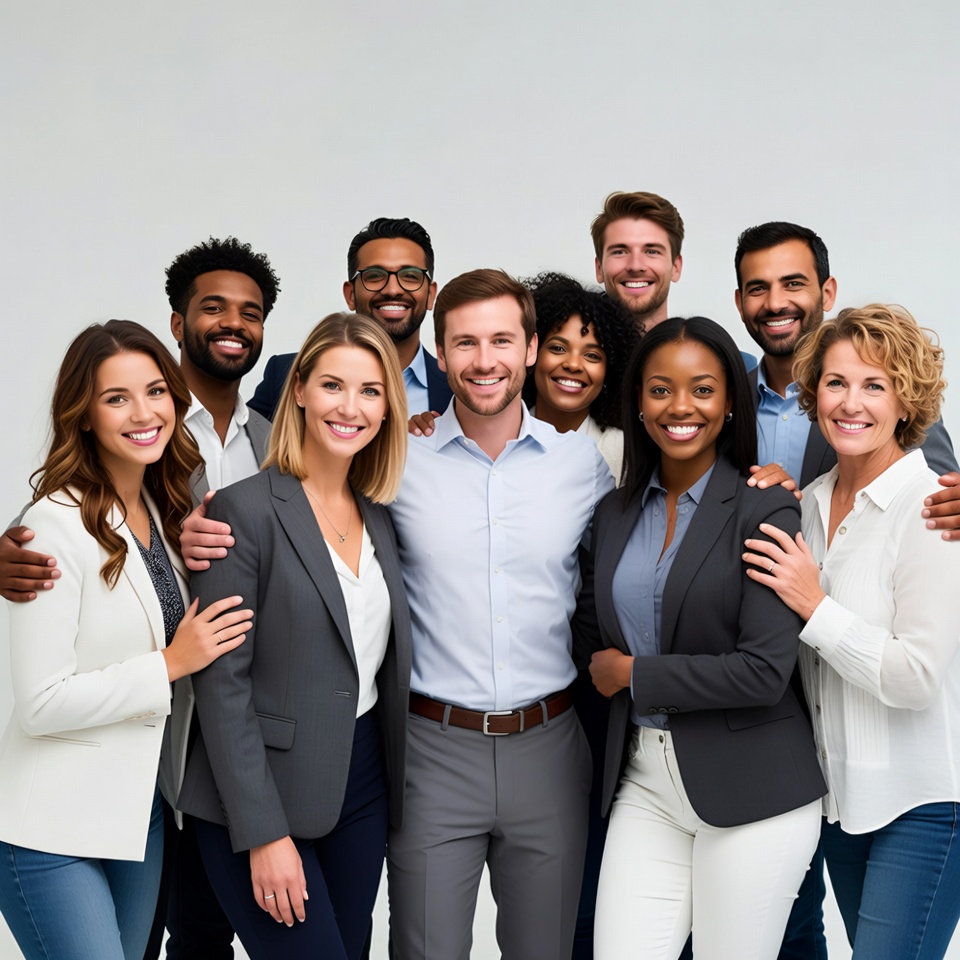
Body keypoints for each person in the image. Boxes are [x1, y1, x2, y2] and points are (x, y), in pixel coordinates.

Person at [734, 221, 960, 959]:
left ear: (906, 400)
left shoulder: (929, 506)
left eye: (875, 385)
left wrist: (815, 606)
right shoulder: (805, 503)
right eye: (836, 382)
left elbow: (918, 677)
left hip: (923, 804)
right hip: (838, 806)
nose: (851, 402)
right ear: (812, 392)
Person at [575, 316, 826, 960]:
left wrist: (634, 675)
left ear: (730, 403)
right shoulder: (614, 512)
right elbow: (588, 630)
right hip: (644, 779)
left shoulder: (764, 507)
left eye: (703, 389)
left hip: (753, 787)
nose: (680, 407)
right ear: (637, 401)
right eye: (660, 389)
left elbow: (762, 671)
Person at [0, 320, 251, 960]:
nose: (144, 413)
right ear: (83, 414)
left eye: (156, 392)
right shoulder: (51, 525)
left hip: (140, 816)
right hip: (50, 828)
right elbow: (40, 703)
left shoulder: (165, 516)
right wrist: (169, 663)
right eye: (116, 398)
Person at [385, 269, 614, 960]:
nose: (484, 361)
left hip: (550, 746)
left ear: (532, 348)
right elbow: (313, 523)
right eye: (465, 343)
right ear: (440, 349)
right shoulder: (398, 455)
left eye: (501, 341)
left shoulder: (583, 464)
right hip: (432, 750)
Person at [176, 312, 412, 960]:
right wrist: (263, 835)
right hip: (256, 795)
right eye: (333, 385)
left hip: (361, 783)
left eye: (370, 391)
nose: (351, 407)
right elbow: (222, 686)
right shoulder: (241, 511)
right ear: (300, 390)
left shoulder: (381, 518)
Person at [248, 217, 452, 421]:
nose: (392, 289)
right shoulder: (286, 374)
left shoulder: (458, 388)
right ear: (350, 295)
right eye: (374, 275)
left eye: (410, 276)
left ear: (430, 295)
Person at [522, 271, 637, 480]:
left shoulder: (625, 454)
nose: (573, 364)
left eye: (592, 355)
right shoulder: (497, 438)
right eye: (558, 348)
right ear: (532, 353)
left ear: (608, 372)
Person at [591, 190, 684, 333]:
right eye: (619, 252)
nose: (635, 266)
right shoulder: (571, 354)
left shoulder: (704, 353)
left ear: (676, 267)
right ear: (599, 269)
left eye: (652, 251)